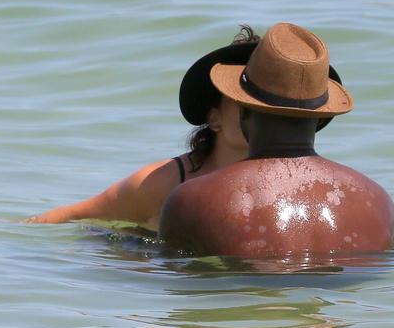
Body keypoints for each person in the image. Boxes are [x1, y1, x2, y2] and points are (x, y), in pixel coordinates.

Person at [159, 22, 394, 257]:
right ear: (320, 118)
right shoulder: (379, 202)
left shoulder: (191, 201)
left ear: (243, 110)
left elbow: (176, 282)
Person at [24, 27, 260, 230]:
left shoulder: (288, 177)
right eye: (244, 103)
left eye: (267, 104)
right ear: (214, 119)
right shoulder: (159, 182)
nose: (260, 113)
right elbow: (73, 215)